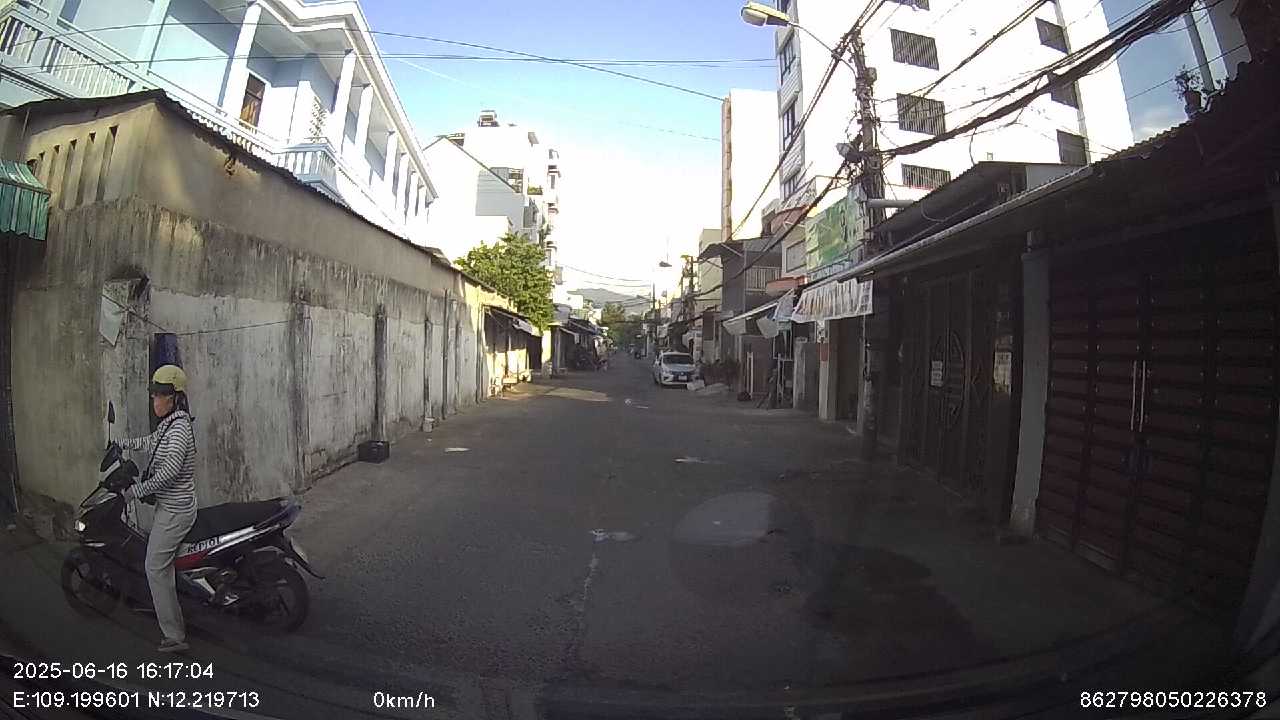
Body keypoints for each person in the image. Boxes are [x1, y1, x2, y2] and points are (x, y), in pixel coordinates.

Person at [117, 365, 198, 653]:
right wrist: (121, 444)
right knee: (161, 561)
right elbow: (150, 442)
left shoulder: (180, 430)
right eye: (154, 395)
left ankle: (174, 635)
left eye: (161, 395)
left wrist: (135, 492)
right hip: (168, 507)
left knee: (154, 567)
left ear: (175, 398)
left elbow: (170, 472)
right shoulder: (169, 425)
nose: (156, 401)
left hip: (176, 511)